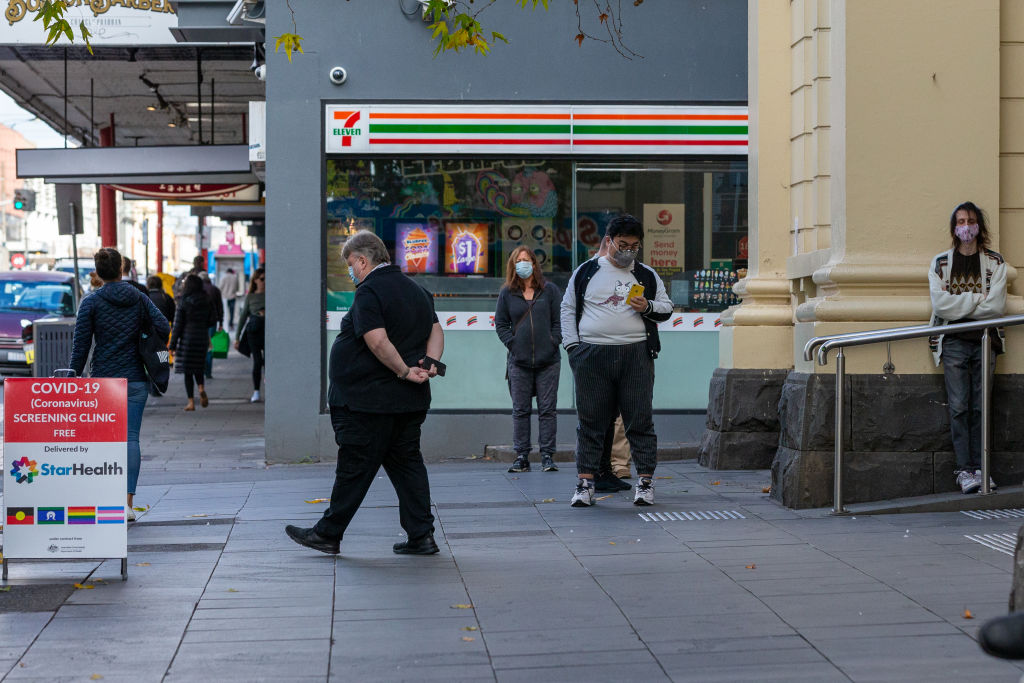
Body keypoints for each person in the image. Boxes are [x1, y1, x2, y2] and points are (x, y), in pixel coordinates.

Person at [285, 230, 445, 556]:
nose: (350, 272)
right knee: (408, 467)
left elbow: (376, 340)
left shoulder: (369, 291)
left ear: (362, 260)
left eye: (350, 265)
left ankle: (328, 533)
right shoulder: (418, 290)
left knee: (355, 467)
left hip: (368, 401)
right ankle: (421, 535)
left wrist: (402, 370)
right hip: (406, 402)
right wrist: (429, 364)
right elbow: (436, 330)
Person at [560, 214, 672, 507]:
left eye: (635, 246)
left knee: (639, 420)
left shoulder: (646, 274)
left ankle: (645, 482)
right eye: (623, 245)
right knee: (591, 421)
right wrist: (574, 348)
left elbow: (666, 307)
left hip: (635, 354)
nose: (628, 251)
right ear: (608, 241)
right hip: (591, 355)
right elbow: (567, 308)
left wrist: (646, 306)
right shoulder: (586, 272)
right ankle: (585, 483)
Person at [69, 247, 169, 522]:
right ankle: (127, 504)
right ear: (122, 269)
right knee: (131, 439)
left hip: (103, 381)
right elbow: (163, 327)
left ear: (99, 273)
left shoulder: (90, 302)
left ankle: (106, 499)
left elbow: (81, 346)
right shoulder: (139, 297)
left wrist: (73, 376)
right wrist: (142, 338)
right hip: (136, 378)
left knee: (103, 441)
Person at [928, 201, 1007, 494]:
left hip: (986, 341)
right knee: (960, 408)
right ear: (954, 228)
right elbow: (941, 306)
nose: (966, 226)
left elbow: (996, 307)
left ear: (979, 227)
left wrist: (960, 302)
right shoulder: (940, 264)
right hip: (954, 344)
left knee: (981, 408)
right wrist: (978, 299)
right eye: (960, 221)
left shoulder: (996, 262)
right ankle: (965, 471)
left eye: (971, 221)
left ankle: (982, 469)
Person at [495, 246, 562, 473]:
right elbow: (501, 324)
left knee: (547, 410)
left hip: (549, 360)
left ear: (534, 263)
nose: (523, 264)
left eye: (527, 260)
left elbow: (559, 320)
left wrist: (554, 341)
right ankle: (522, 456)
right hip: (519, 361)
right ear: (513, 265)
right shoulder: (507, 293)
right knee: (520, 410)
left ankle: (547, 456)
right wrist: (513, 344)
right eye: (519, 260)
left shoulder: (550, 290)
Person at [170, 274, 215, 412]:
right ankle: (201, 388)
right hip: (201, 336)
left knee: (188, 370)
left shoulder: (183, 301)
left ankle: (191, 402)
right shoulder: (207, 300)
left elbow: (178, 325)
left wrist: (172, 345)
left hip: (187, 338)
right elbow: (212, 320)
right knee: (198, 366)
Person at [235, 267, 265, 402]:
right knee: (257, 361)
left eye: (266, 279)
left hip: (268, 332)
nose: (264, 282)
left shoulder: (271, 294)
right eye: (262, 279)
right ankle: (256, 391)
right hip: (254, 332)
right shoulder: (250, 297)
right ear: (256, 280)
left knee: (269, 362)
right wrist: (236, 337)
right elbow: (242, 317)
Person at [199, 271, 224, 379]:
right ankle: (208, 372)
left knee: (200, 346)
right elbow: (220, 307)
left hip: (199, 322)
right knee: (209, 346)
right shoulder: (215, 289)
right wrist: (221, 322)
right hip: (212, 322)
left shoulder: (197, 290)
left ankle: (201, 369)